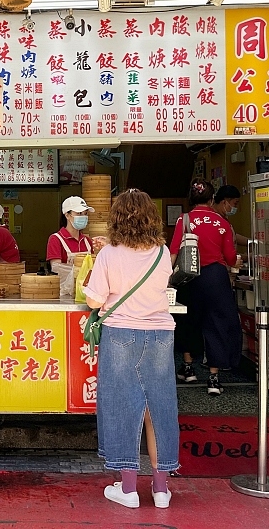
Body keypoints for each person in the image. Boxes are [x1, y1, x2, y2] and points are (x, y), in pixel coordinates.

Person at [83, 189, 178, 509]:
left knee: (125, 407)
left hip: (122, 332)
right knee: (158, 408)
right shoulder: (162, 252)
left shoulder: (110, 253)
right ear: (150, 217)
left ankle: (128, 489)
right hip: (161, 335)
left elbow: (95, 300)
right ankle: (161, 489)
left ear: (117, 218)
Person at [170, 179, 241, 394]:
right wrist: (235, 261)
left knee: (187, 320)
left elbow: (173, 251)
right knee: (217, 323)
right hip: (216, 277)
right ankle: (213, 378)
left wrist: (166, 277)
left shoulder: (184, 219)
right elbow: (229, 257)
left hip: (189, 276)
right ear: (212, 200)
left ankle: (188, 368)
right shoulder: (222, 223)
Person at [46, 196, 94, 266]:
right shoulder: (56, 239)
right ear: (67, 215)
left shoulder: (87, 241)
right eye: (79, 213)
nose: (83, 216)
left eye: (85, 213)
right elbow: (56, 268)